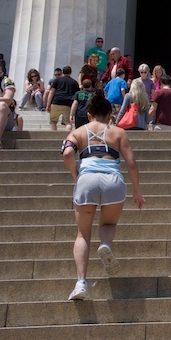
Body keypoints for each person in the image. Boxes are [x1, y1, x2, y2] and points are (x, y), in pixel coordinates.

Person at [62, 89, 145, 300]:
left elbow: (68, 153)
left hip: (87, 180)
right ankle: (106, 245)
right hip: (113, 181)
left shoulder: (78, 132)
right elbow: (132, 163)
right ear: (110, 115)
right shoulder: (118, 132)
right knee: (108, 225)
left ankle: (81, 282)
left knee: (83, 234)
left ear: (89, 114)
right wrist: (136, 191)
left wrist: (76, 174)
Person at [47, 66, 80, 132]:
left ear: (62, 72)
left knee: (53, 121)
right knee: (67, 122)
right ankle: (67, 137)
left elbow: (51, 92)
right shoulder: (75, 82)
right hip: (68, 103)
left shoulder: (57, 80)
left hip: (56, 101)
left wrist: (48, 104)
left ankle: (53, 136)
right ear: (71, 72)